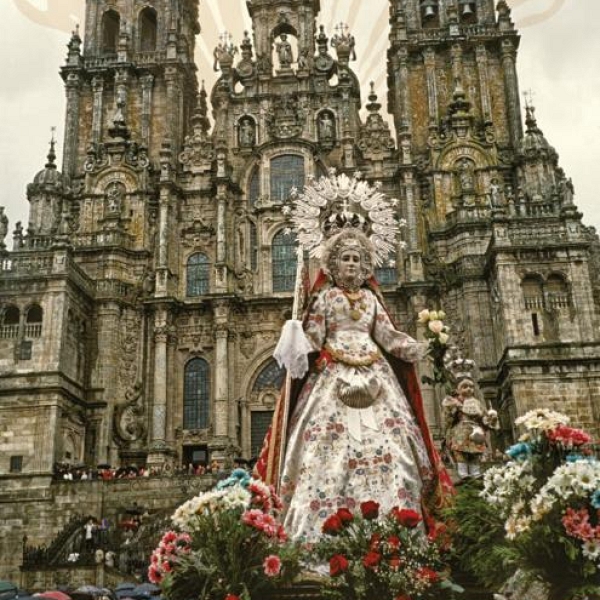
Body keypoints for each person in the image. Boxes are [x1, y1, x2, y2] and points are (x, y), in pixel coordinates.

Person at [256, 228, 453, 542]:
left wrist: (419, 346)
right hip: (332, 372)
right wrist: (296, 338)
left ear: (365, 268)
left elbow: (388, 336)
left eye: (356, 259)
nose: (350, 264)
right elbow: (316, 339)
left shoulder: (372, 301)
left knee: (395, 446)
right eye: (345, 258)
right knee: (323, 451)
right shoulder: (325, 298)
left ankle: (399, 525)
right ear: (333, 265)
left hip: (376, 372)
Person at [442, 376, 499, 479]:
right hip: (460, 431)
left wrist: (491, 419)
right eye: (465, 386)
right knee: (460, 453)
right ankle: (463, 474)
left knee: (475, 453)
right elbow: (448, 419)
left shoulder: (477, 403)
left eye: (471, 387)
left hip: (475, 431)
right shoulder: (452, 402)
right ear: (457, 389)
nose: (469, 389)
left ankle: (475, 474)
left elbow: (484, 418)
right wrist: (456, 409)